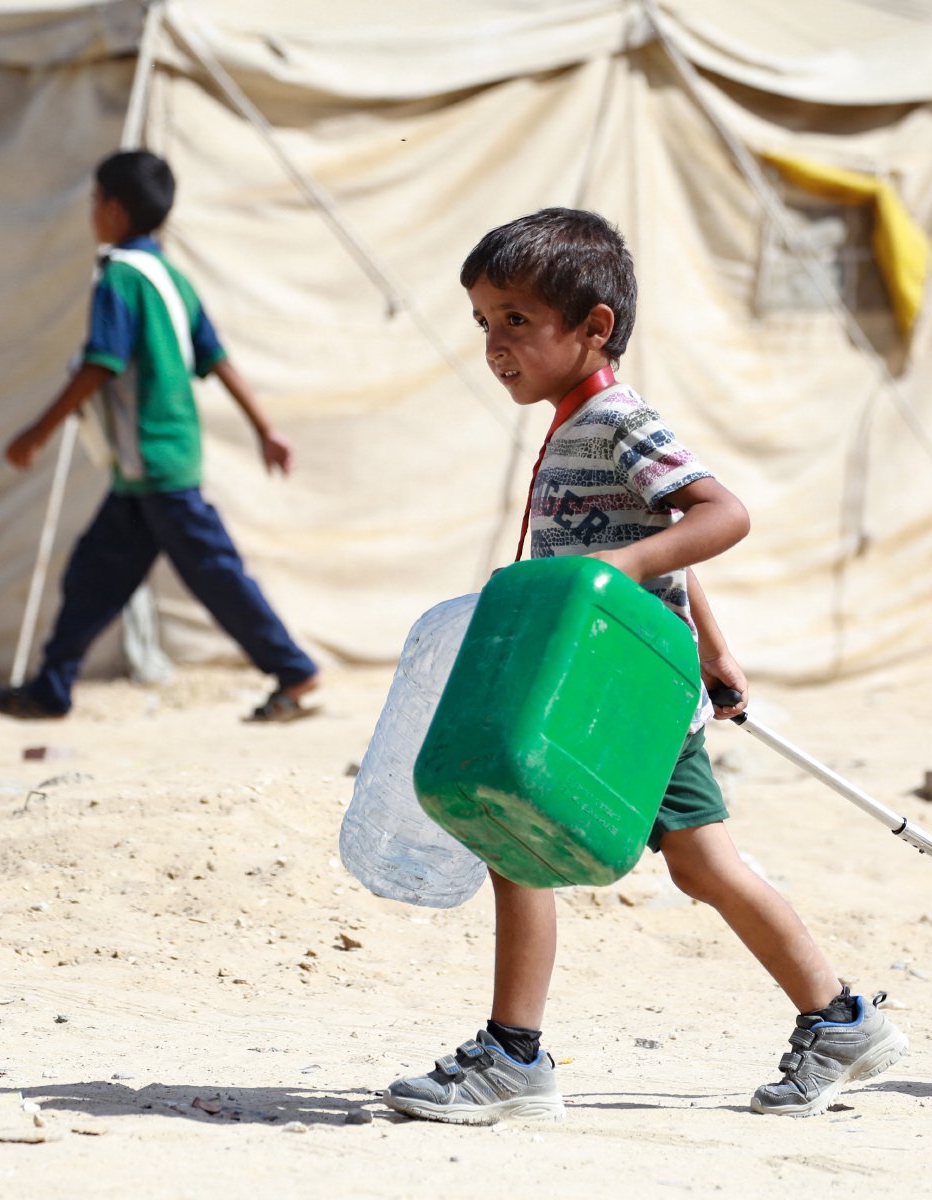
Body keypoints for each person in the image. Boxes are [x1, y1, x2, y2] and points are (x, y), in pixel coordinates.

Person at [381, 208, 907, 1124]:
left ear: (594, 328)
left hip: (615, 700)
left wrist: (611, 573)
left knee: (524, 847)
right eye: (484, 323)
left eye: (516, 321)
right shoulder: (570, 421)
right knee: (703, 868)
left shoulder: (619, 420)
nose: (495, 345)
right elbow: (666, 540)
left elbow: (719, 513)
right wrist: (712, 646)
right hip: (614, 690)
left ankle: (513, 1060)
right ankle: (839, 1020)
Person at [0, 150, 319, 723]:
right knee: (92, 575)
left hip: (156, 464)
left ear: (113, 209)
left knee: (215, 574)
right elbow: (217, 359)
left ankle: (293, 669)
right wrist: (265, 429)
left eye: (94, 203)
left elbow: (101, 364)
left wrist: (38, 432)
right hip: (147, 469)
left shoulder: (119, 278)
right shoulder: (172, 279)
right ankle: (50, 687)